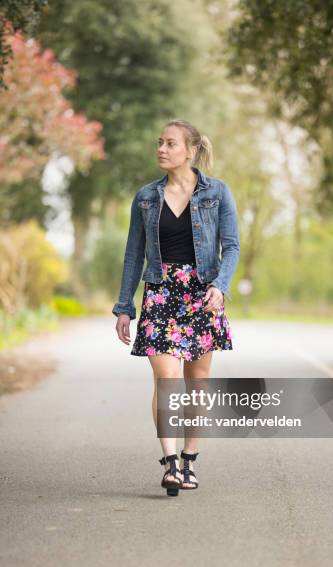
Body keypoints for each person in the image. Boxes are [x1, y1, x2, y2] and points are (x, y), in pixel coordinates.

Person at [112, 118, 240, 496]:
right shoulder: (146, 198)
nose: (162, 149)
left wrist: (220, 286)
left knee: (195, 384)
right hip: (162, 293)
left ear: (191, 150)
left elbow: (230, 247)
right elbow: (134, 254)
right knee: (166, 381)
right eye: (160, 142)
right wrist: (124, 306)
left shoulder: (218, 193)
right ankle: (169, 465)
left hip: (203, 294)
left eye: (170, 143)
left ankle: (189, 459)